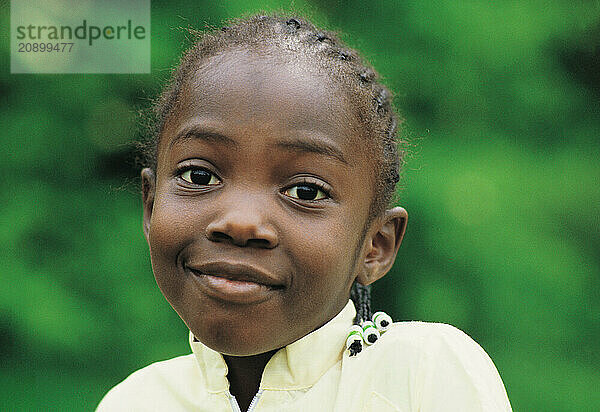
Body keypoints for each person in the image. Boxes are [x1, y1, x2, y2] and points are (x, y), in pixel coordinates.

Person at [97, 11, 512, 412]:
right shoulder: (133, 402)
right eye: (200, 177)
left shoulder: (421, 376)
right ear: (151, 205)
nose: (241, 222)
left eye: (305, 191)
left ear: (375, 246)